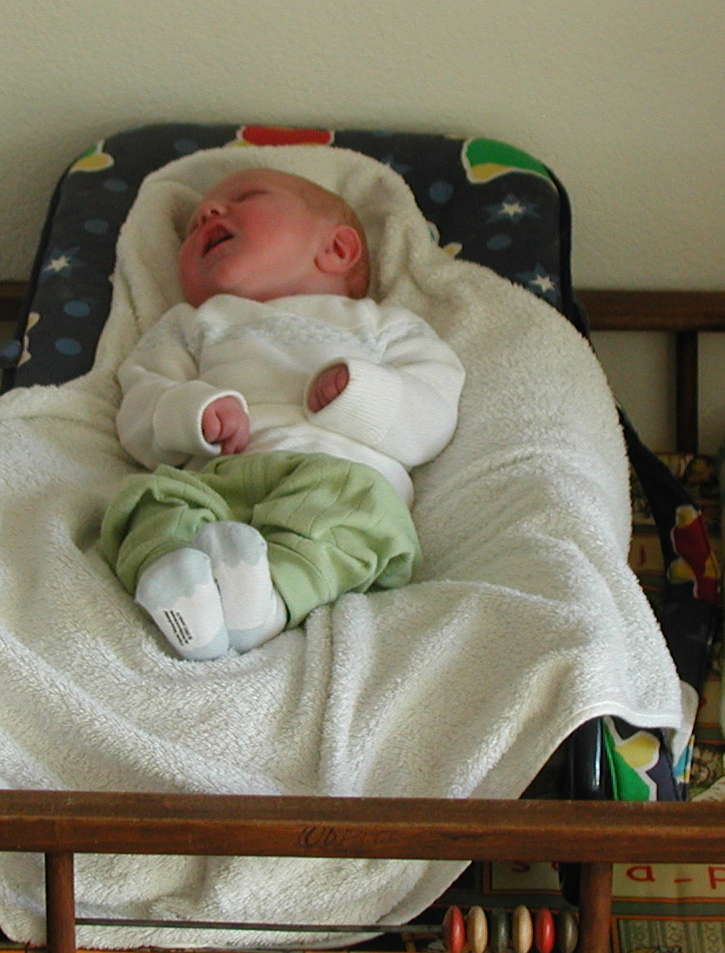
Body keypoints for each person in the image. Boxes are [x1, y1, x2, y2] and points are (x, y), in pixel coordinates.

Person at [97, 167, 465, 660]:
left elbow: (433, 417)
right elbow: (140, 403)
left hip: (336, 475)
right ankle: (179, 584)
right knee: (147, 501)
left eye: (246, 196)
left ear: (337, 249)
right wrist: (193, 412)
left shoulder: (386, 326)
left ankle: (269, 600)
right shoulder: (191, 325)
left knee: (362, 510)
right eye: (190, 229)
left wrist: (359, 393)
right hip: (219, 478)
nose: (207, 213)